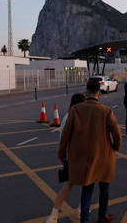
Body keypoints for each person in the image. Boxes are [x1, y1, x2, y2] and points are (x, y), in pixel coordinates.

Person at [58, 81, 122, 223]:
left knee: (87, 189)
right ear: (98, 93)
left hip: (83, 157)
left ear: (86, 92)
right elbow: (117, 133)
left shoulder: (75, 110)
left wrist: (62, 154)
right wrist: (116, 147)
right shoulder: (106, 110)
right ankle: (102, 216)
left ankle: (84, 220)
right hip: (104, 156)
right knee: (104, 187)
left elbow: (65, 136)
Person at [46, 93, 86, 223]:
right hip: (79, 157)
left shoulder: (66, 116)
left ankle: (53, 215)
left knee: (68, 186)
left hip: (69, 157)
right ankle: (81, 210)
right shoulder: (76, 117)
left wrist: (63, 156)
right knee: (87, 184)